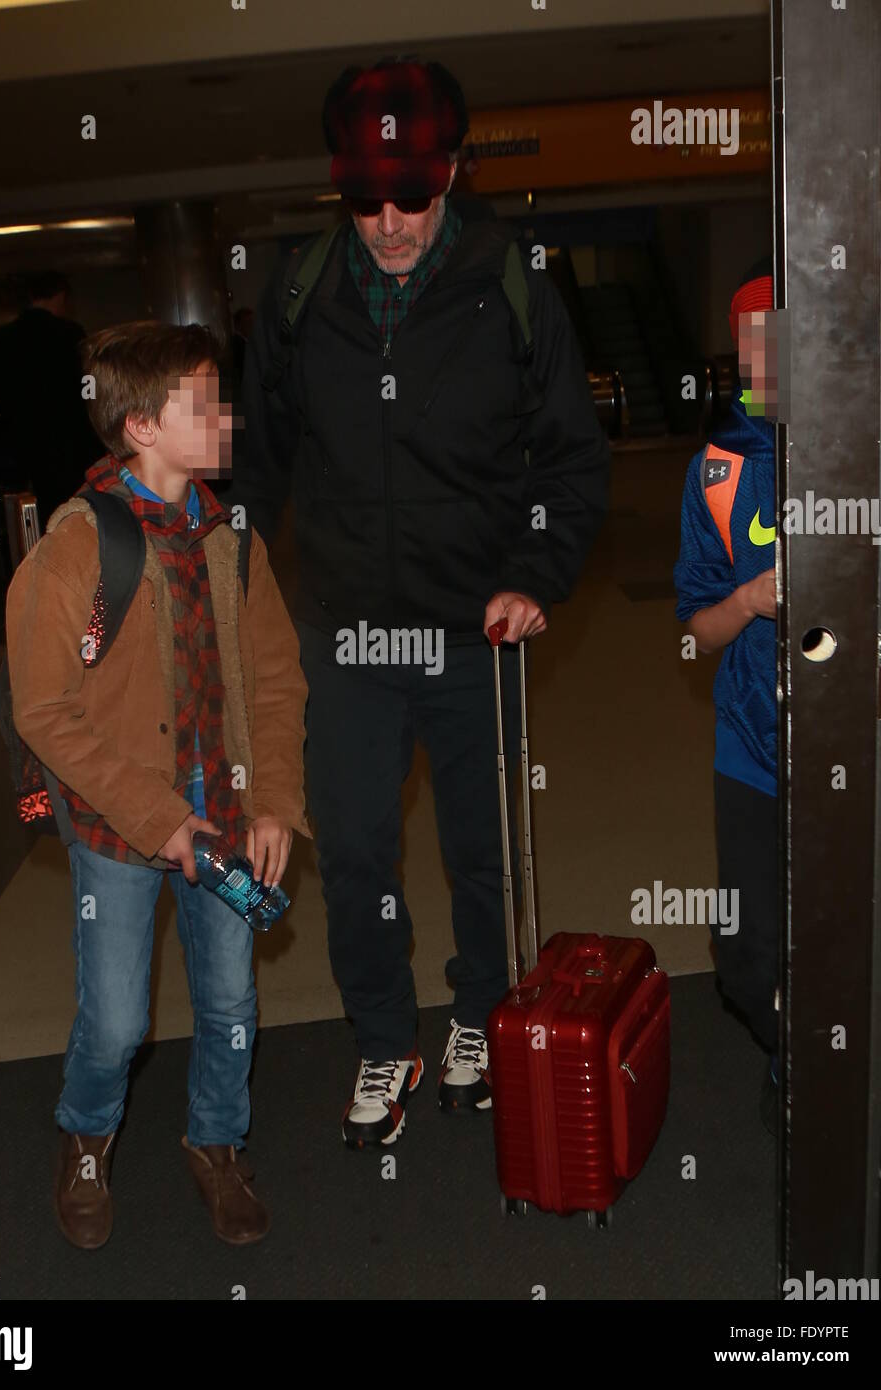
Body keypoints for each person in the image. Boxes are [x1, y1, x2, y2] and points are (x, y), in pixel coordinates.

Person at [231, 57, 610, 1148]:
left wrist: (534, 576)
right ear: (336, 188)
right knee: (351, 849)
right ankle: (382, 1038)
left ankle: (482, 1010)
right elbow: (261, 469)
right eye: (364, 200)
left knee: (481, 846)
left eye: (410, 195)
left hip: (470, 626)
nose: (389, 222)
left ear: (451, 172)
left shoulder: (513, 279)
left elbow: (570, 463)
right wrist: (239, 596)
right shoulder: (300, 294)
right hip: (343, 633)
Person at [5, 320, 310, 1247]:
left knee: (230, 1002)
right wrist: (160, 820)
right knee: (118, 1020)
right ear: (140, 426)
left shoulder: (230, 538)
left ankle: (216, 1143)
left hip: (223, 809)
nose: (225, 414)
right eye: (202, 401)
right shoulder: (73, 550)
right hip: (117, 825)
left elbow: (278, 676)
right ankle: (87, 1136)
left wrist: (275, 805)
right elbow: (44, 712)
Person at [673, 258, 780, 1133]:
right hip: (751, 740)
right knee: (745, 958)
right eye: (756, 344)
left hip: (855, 739)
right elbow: (696, 628)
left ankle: (829, 1084)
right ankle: (793, 1053)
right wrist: (749, 601)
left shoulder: (871, 445)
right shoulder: (718, 467)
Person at [0, 270, 103, 526]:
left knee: (42, 515)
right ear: (62, 296)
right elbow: (87, 389)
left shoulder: (4, 339)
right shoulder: (70, 333)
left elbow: (3, 398)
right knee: (79, 512)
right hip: (71, 444)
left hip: (30, 447)